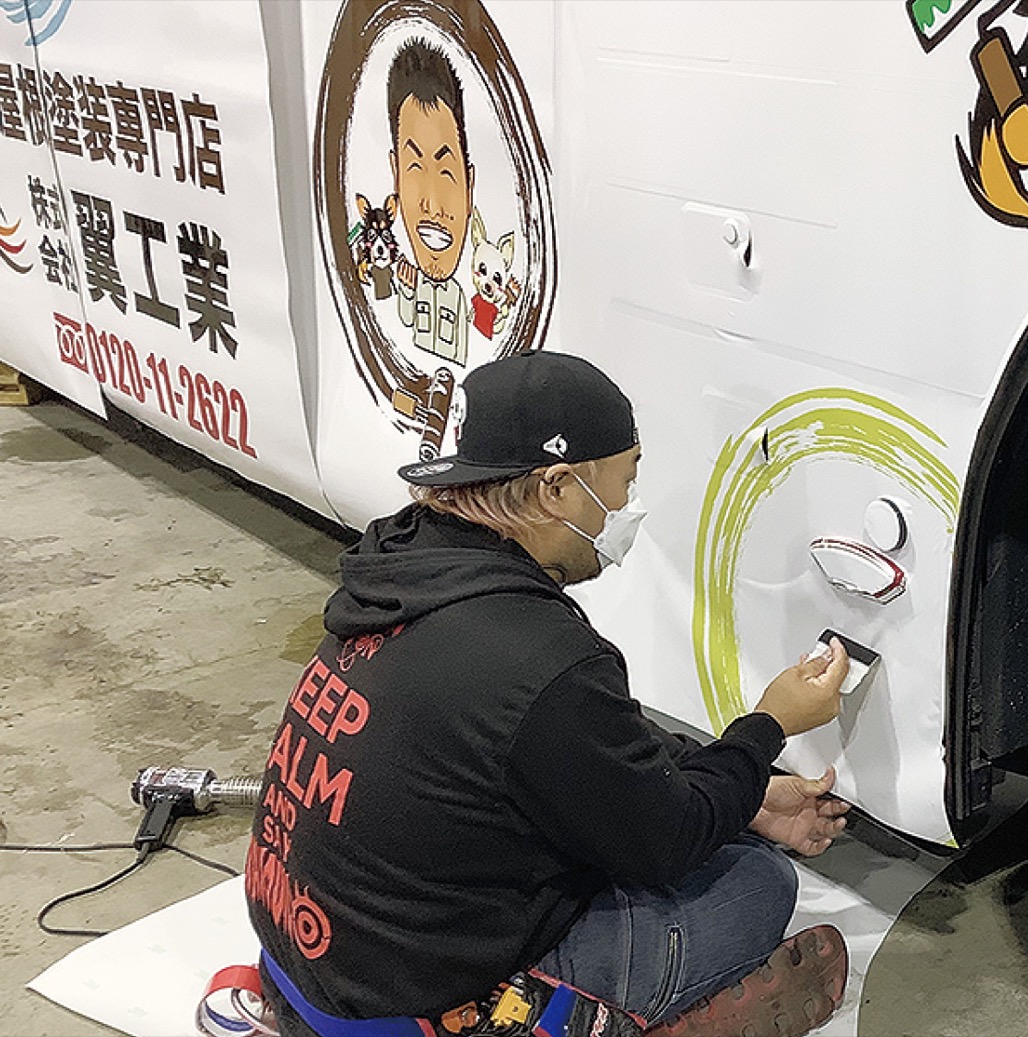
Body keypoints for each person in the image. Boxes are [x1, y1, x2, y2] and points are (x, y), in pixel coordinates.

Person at [245, 350, 852, 1037]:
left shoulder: (410, 570)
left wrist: (748, 796)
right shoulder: (538, 653)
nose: (628, 506)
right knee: (754, 885)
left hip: (301, 965)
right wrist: (766, 728)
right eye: (626, 480)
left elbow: (586, 743)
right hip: (399, 1010)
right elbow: (668, 838)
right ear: (557, 488)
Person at [388, 38, 473, 367]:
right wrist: (407, 291)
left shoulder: (460, 298)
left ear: (469, 187)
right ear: (396, 176)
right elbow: (407, 318)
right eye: (414, 168)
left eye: (446, 173)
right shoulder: (415, 285)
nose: (432, 205)